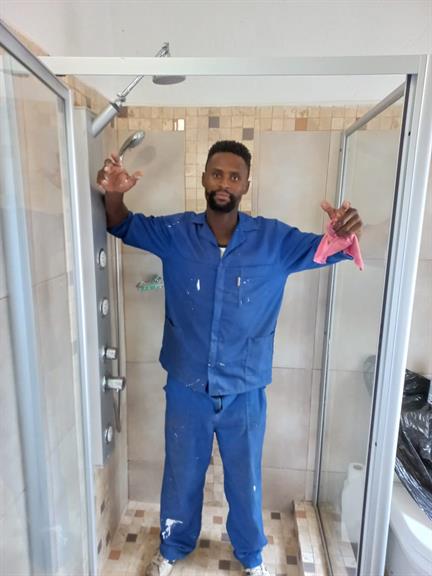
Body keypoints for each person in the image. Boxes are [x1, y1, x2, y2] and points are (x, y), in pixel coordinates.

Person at [98, 140, 363, 576]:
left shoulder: (274, 241)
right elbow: (121, 224)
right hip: (187, 386)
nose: (224, 183)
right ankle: (173, 546)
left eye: (234, 176)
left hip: (245, 389)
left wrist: (343, 231)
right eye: (217, 174)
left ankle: (252, 556)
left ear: (246, 185)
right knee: (181, 473)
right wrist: (113, 194)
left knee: (245, 479)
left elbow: (329, 248)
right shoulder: (176, 233)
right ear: (205, 178)